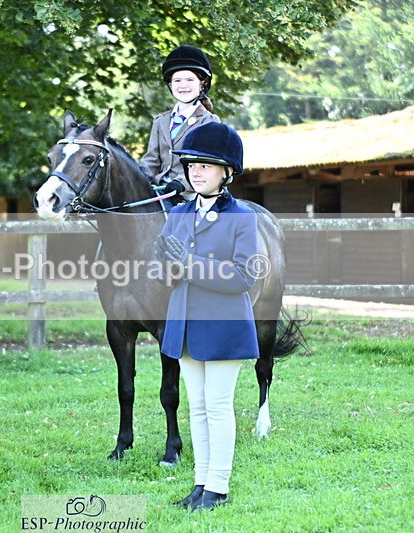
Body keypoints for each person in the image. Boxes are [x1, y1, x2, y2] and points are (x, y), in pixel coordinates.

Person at [152, 122, 259, 510]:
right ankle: (200, 483)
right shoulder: (178, 213)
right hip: (184, 325)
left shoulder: (243, 217)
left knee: (217, 405)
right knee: (196, 407)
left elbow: (245, 276)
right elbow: (160, 269)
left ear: (227, 172)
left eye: (207, 165)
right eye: (192, 165)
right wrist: (163, 267)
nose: (196, 171)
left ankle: (219, 486)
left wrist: (190, 263)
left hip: (223, 325)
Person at [140, 45, 221, 205]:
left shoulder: (209, 121)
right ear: (170, 85)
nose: (183, 85)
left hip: (192, 192)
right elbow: (151, 159)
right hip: (159, 190)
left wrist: (182, 183)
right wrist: (139, 178)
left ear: (202, 83)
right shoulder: (160, 121)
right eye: (177, 80)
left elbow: (207, 161)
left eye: (190, 80)